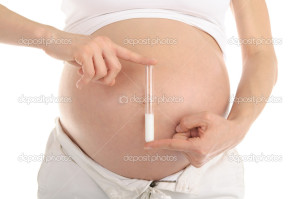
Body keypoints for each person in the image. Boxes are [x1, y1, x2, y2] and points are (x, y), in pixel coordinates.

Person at [0, 0, 277, 198]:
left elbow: (261, 54)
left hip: (202, 174)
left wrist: (238, 128)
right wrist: (51, 38)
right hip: (83, 173)